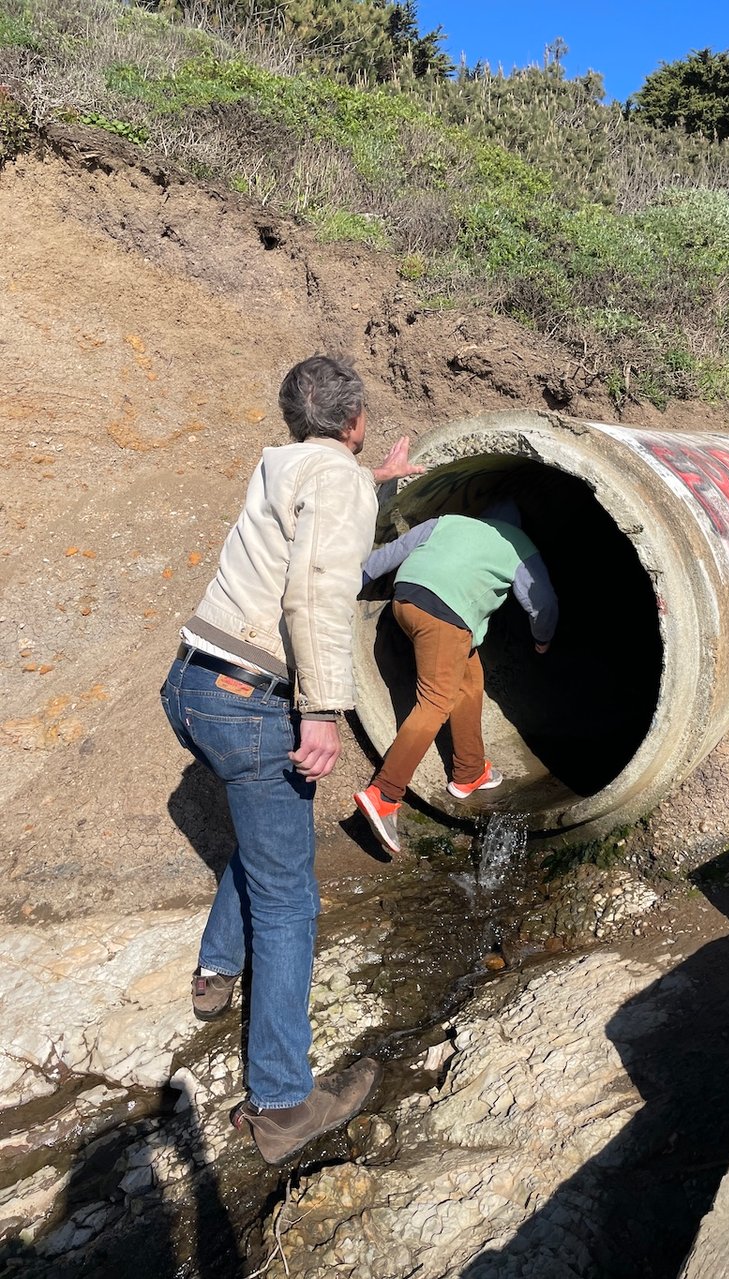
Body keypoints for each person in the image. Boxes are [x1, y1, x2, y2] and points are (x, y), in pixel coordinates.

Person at [160, 353, 422, 1166]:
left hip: (193, 683)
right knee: (289, 899)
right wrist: (322, 710)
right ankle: (280, 1102)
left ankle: (216, 970)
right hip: (254, 700)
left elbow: (306, 521)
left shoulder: (286, 464)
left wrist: (372, 477)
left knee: (266, 837)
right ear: (358, 419)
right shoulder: (335, 479)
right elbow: (315, 592)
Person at [354, 503, 558, 855]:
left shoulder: (448, 523)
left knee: (468, 681)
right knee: (434, 702)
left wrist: (345, 586)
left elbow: (387, 556)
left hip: (404, 601)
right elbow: (542, 601)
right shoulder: (517, 543)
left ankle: (469, 772)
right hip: (445, 616)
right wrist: (543, 638)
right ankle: (385, 794)